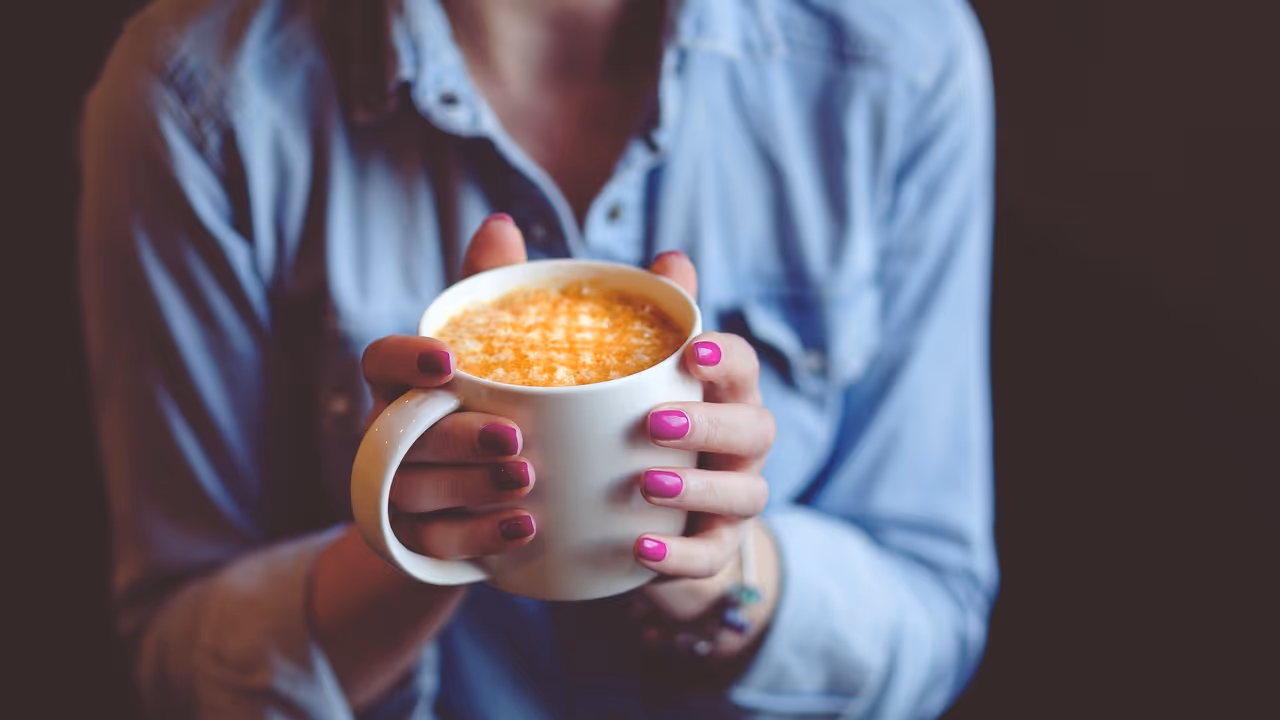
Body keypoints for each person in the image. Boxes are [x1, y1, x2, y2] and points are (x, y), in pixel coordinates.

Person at [78, 0, 997, 717]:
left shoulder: (897, 61)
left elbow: (936, 612)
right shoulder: (199, 98)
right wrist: (409, 555)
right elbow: (173, 661)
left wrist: (721, 574)